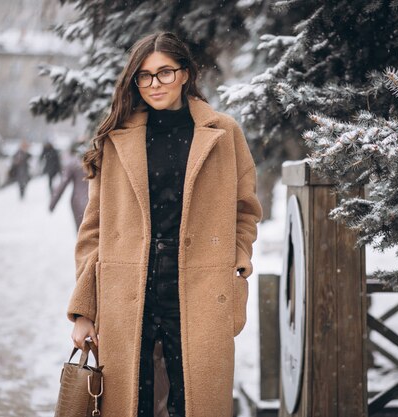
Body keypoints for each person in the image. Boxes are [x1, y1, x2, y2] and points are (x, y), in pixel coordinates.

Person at [67, 32, 262, 417]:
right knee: (131, 405)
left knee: (192, 404)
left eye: (165, 73)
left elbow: (246, 210)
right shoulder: (116, 139)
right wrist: (84, 310)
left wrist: (236, 262)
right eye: (144, 76)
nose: (154, 84)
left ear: (186, 74)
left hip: (201, 288)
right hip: (128, 292)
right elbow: (93, 232)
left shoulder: (223, 133)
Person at [49, 142, 89, 231]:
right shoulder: (96, 161)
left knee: (81, 232)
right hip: (95, 201)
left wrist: (52, 204)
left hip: (77, 202)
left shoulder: (72, 163)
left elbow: (62, 184)